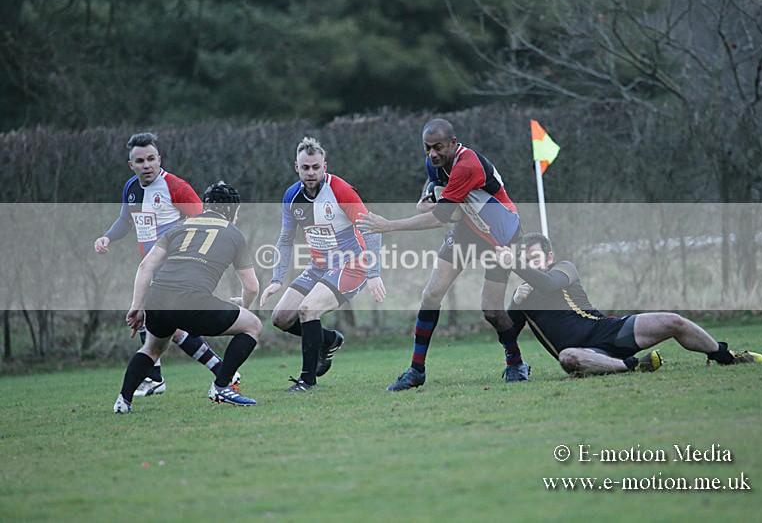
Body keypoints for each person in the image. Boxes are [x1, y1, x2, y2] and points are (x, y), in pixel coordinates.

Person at [357, 118, 530, 391]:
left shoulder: (468, 165)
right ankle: (416, 371)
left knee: (492, 310)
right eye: (428, 148)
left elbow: (440, 218)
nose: (432, 154)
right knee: (431, 295)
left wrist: (389, 225)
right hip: (467, 230)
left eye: (438, 147)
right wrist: (427, 195)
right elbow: (436, 188)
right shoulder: (434, 162)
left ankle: (516, 362)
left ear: (453, 142)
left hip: (501, 234)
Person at [496, 232, 762, 376]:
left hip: (607, 330)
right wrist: (513, 304)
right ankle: (634, 365)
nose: (530, 263)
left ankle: (724, 356)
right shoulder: (524, 296)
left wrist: (517, 266)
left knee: (673, 321)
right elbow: (506, 334)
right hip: (586, 354)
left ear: (549, 256)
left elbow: (548, 284)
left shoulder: (564, 269)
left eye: (534, 258)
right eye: (525, 259)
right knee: (568, 357)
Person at [95, 132, 238, 398]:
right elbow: (125, 221)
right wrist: (107, 237)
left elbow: (207, 220)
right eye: (140, 160)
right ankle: (219, 369)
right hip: (152, 267)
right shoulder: (131, 188)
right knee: (166, 326)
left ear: (159, 159)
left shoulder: (175, 187)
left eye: (151, 159)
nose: (146, 165)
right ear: (131, 165)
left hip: (176, 268)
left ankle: (155, 378)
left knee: (156, 320)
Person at [114, 181, 261, 413]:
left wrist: (137, 306)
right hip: (191, 300)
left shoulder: (179, 227)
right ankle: (221, 386)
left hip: (158, 298)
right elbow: (252, 286)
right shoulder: (233, 233)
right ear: (233, 210)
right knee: (252, 326)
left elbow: (145, 267)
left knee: (152, 349)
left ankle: (123, 401)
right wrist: (246, 306)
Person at [260, 136, 386, 391]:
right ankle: (328, 340)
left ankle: (308, 381)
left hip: (352, 264)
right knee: (281, 318)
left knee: (308, 309)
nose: (310, 172)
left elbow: (372, 230)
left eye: (315, 167)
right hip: (318, 266)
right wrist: (276, 279)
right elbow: (285, 239)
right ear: (297, 168)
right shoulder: (292, 196)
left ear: (324, 166)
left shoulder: (340, 190)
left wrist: (374, 273)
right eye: (305, 167)